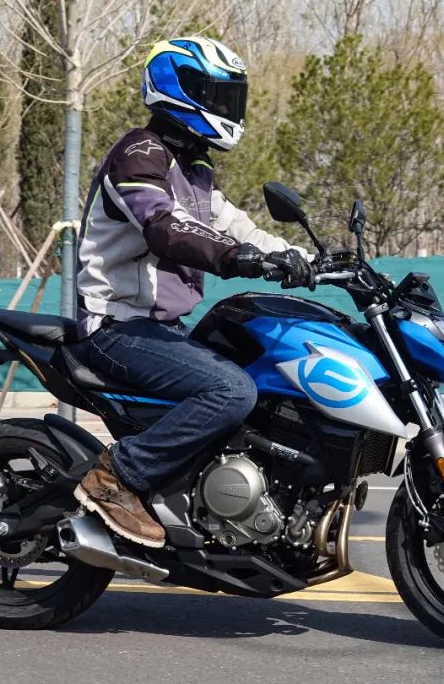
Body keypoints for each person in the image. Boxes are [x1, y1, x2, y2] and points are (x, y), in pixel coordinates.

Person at [69, 37, 311, 548]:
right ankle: (117, 476)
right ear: (179, 90)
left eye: (231, 96)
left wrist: (304, 257)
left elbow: (235, 225)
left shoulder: (196, 170)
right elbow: (164, 225)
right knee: (231, 391)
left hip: (161, 328)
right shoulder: (139, 154)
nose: (228, 107)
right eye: (217, 95)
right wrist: (237, 257)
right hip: (115, 326)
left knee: (264, 376)